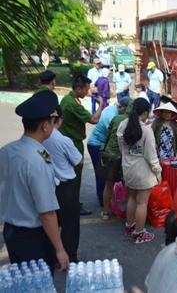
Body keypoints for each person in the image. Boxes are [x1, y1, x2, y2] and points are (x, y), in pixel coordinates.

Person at [0, 91, 70, 274]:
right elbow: (47, 213)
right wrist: (60, 249)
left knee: (23, 283)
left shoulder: (6, 150)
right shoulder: (38, 160)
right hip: (33, 238)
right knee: (39, 285)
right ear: (45, 126)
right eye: (52, 122)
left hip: (11, 232)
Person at [117, 98, 162, 243]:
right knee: (142, 203)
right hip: (142, 172)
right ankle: (139, 234)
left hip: (128, 169)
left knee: (132, 198)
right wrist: (158, 172)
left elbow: (122, 149)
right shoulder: (146, 131)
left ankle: (130, 226)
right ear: (145, 113)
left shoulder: (123, 125)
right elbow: (151, 156)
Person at [42, 106, 83, 263]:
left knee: (51, 222)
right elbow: (79, 160)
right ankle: (70, 257)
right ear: (59, 120)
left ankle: (51, 254)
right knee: (70, 225)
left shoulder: (40, 138)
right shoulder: (62, 140)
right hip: (65, 187)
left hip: (48, 185)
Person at [59, 74, 104, 216]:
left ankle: (68, 203)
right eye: (85, 90)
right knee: (75, 176)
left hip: (67, 141)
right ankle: (74, 206)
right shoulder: (73, 104)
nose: (87, 92)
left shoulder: (69, 99)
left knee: (67, 175)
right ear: (78, 89)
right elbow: (94, 120)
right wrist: (101, 105)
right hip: (73, 143)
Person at [87, 97, 132, 206]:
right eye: (126, 111)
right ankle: (103, 201)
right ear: (120, 107)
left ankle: (108, 198)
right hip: (97, 144)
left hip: (104, 143)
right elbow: (115, 137)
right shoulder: (111, 116)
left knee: (107, 175)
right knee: (103, 174)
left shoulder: (117, 112)